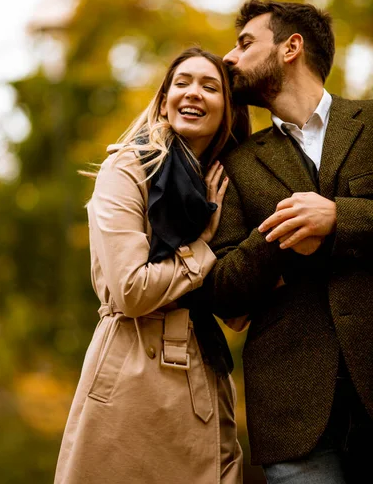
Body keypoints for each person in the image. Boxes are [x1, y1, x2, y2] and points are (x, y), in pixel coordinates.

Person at [54, 47, 249, 484]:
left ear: (227, 110)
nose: (193, 93)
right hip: (130, 368)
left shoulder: (220, 187)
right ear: (164, 101)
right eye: (181, 83)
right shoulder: (127, 167)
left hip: (202, 371)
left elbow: (236, 310)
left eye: (209, 86)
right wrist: (202, 244)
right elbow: (131, 290)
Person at [202, 0, 373, 483]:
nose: (229, 58)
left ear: (291, 47)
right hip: (293, 415)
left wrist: (340, 217)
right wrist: (275, 237)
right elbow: (223, 291)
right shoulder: (236, 163)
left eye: (244, 43)